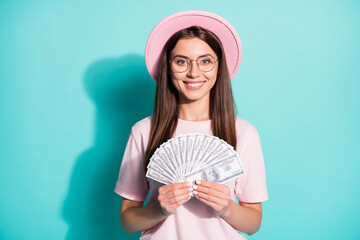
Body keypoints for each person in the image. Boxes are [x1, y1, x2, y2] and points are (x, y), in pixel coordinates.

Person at [114, 10, 268, 240]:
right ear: (168, 67)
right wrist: (159, 209)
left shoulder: (244, 133)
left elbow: (253, 224)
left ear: (219, 66)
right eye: (181, 61)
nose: (194, 72)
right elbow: (127, 222)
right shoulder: (143, 131)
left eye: (205, 61)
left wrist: (226, 206)